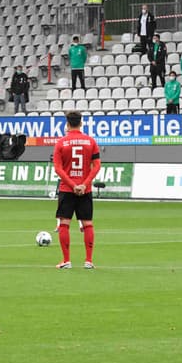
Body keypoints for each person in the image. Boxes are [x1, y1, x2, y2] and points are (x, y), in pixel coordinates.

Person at [52, 110, 101, 269]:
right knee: (87, 224)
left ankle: (66, 260)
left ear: (67, 124)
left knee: (64, 224)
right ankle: (89, 261)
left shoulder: (61, 143)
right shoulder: (90, 141)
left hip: (67, 189)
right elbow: (97, 166)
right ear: (81, 123)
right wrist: (84, 184)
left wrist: (73, 185)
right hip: (85, 190)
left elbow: (58, 169)